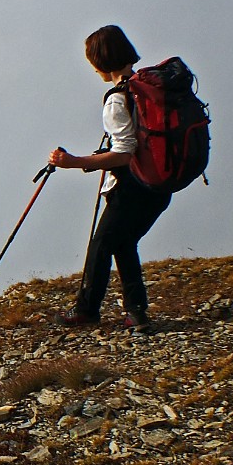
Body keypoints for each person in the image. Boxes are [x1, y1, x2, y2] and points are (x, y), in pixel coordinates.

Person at [48, 24, 169, 334]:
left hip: (132, 187)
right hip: (161, 184)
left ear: (100, 61)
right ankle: (137, 313)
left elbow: (124, 155)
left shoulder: (118, 99)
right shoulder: (148, 87)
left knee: (102, 244)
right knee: (123, 242)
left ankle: (86, 310)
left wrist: (75, 162)